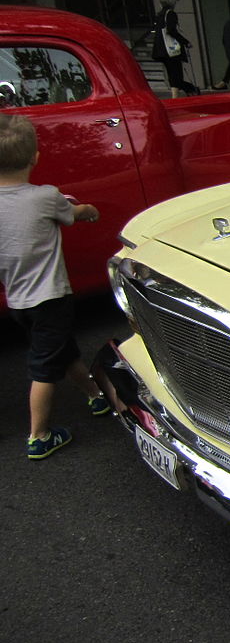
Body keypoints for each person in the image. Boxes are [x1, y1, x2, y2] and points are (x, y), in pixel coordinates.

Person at [0, 114, 110, 460]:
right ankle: (39, 436)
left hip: (18, 301)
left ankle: (94, 395)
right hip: (51, 297)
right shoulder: (45, 197)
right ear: (35, 158)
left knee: (63, 350)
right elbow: (73, 213)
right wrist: (90, 210)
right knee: (43, 369)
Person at [151, 0, 199, 98]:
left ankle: (176, 96)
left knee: (172, 74)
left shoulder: (159, 15)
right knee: (177, 74)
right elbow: (171, 30)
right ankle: (190, 89)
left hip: (161, 50)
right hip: (171, 49)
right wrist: (185, 42)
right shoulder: (171, 14)